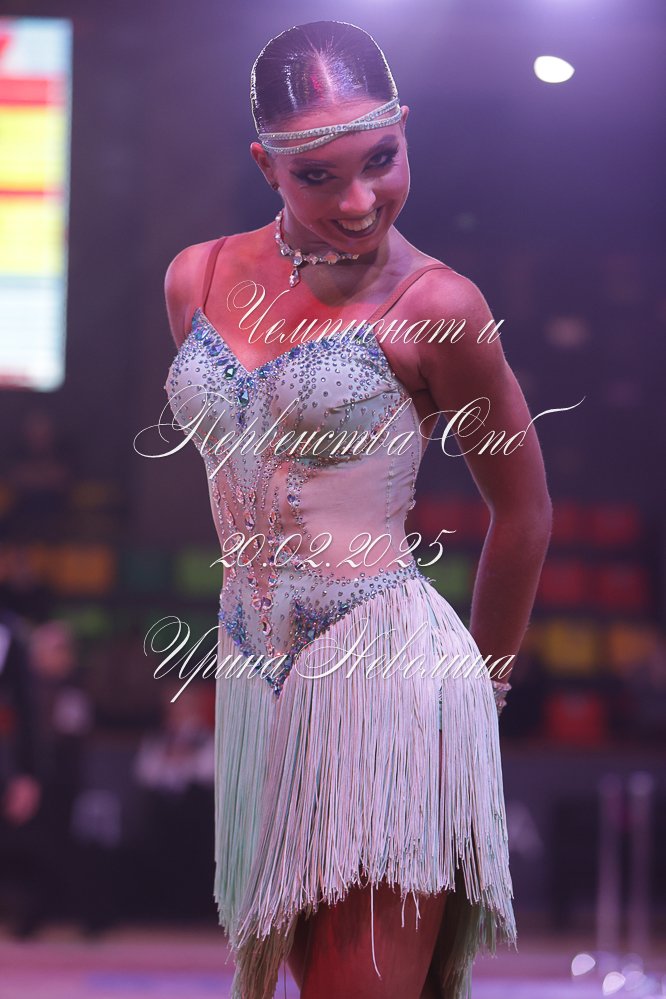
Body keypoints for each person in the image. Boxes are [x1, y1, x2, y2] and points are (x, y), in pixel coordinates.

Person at [162, 20, 552, 999]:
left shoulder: (440, 306)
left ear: (405, 128)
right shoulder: (195, 278)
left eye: (381, 159)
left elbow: (525, 511)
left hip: (387, 684)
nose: (359, 199)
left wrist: (482, 696)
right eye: (318, 175)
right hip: (255, 682)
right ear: (267, 165)